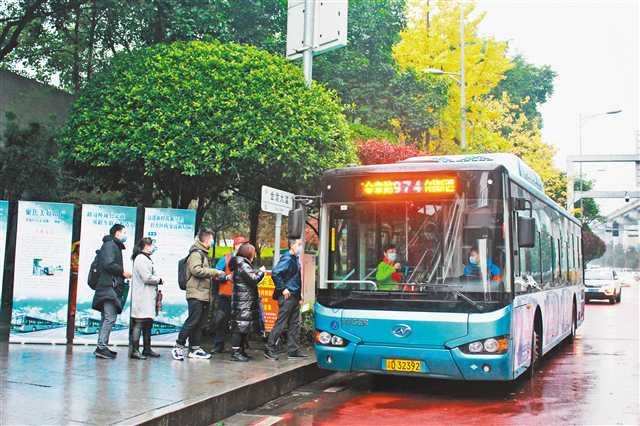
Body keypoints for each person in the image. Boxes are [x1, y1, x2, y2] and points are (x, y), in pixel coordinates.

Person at [172, 229, 226, 361]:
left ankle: (194, 348)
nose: (213, 241)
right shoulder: (196, 253)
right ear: (207, 239)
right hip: (195, 293)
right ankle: (178, 346)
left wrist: (216, 275)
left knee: (199, 323)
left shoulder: (203, 253)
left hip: (203, 294)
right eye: (212, 239)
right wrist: (215, 272)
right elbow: (196, 270)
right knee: (192, 321)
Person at [92, 224, 131, 359]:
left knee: (106, 318)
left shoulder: (112, 245)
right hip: (109, 287)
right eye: (124, 232)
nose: (125, 235)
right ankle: (101, 347)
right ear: (117, 233)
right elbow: (108, 264)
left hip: (108, 286)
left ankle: (102, 346)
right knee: (110, 318)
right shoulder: (110, 245)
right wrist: (122, 272)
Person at [264, 239, 307, 360]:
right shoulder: (287, 258)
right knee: (281, 323)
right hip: (287, 296)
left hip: (294, 296)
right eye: (299, 245)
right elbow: (275, 273)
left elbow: (295, 278)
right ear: (292, 246)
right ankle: (269, 348)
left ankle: (293, 350)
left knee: (294, 324)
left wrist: (299, 294)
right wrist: (283, 289)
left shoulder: (294, 258)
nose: (300, 247)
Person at [212, 236, 249, 353]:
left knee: (240, 323)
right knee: (221, 321)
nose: (245, 247)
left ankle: (239, 348)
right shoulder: (226, 258)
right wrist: (226, 277)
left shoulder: (247, 260)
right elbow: (215, 275)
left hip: (241, 298)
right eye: (242, 244)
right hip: (226, 296)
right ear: (236, 246)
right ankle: (218, 345)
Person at [229, 243, 265, 362]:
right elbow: (254, 279)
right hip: (243, 301)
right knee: (239, 327)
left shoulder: (241, 263)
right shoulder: (242, 264)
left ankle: (240, 351)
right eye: (253, 253)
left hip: (244, 300)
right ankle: (235, 352)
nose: (254, 255)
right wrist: (261, 272)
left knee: (243, 327)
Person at [130, 237, 163, 360]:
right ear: (146, 246)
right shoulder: (141, 259)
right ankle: (135, 350)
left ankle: (147, 349)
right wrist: (159, 280)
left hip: (147, 297)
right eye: (152, 245)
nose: (153, 247)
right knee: (139, 322)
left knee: (148, 323)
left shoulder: (145, 258)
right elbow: (146, 277)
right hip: (142, 297)